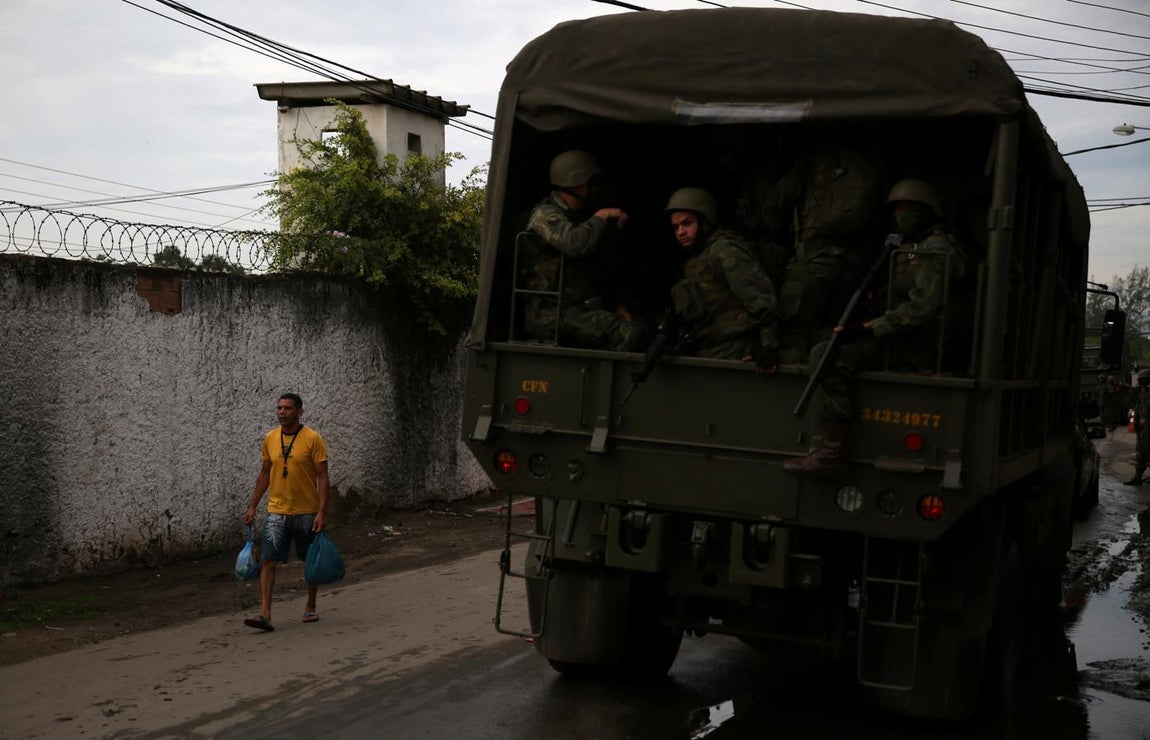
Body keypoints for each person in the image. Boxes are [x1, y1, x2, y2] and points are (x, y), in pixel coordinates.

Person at [783, 179, 967, 477]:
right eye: (897, 208)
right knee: (820, 339)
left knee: (825, 355)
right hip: (895, 337)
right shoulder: (907, 247)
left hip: (916, 345)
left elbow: (920, 309)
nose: (902, 214)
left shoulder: (937, 250)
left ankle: (832, 452)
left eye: (909, 207)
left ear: (928, 211)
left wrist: (869, 328)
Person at [521, 149, 647, 351]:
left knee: (642, 327)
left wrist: (615, 305)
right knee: (628, 335)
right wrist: (601, 216)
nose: (596, 190)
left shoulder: (578, 220)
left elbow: (594, 271)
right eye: (592, 183)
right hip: (551, 316)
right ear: (577, 183)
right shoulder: (544, 215)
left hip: (579, 310)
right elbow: (575, 244)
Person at [241, 393, 330, 631]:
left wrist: (322, 512)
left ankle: (310, 605)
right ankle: (265, 615)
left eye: (288, 408)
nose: (282, 412)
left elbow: (323, 477)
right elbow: (265, 473)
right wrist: (252, 506)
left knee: (309, 560)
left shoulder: (313, 439)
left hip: (306, 512)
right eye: (279, 408)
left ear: (299, 412)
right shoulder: (270, 438)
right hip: (276, 512)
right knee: (269, 560)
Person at [664, 187, 780, 367]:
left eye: (687, 223)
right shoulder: (694, 261)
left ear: (704, 222)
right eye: (676, 227)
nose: (680, 232)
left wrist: (768, 345)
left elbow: (760, 298)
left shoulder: (723, 250)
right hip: (713, 351)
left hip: (737, 350)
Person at [1124, 368, 1150, 485]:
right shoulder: (1142, 392)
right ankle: (1137, 476)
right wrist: (1135, 422)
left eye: (1141, 380)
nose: (1139, 382)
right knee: (1141, 453)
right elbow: (1138, 408)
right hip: (1143, 429)